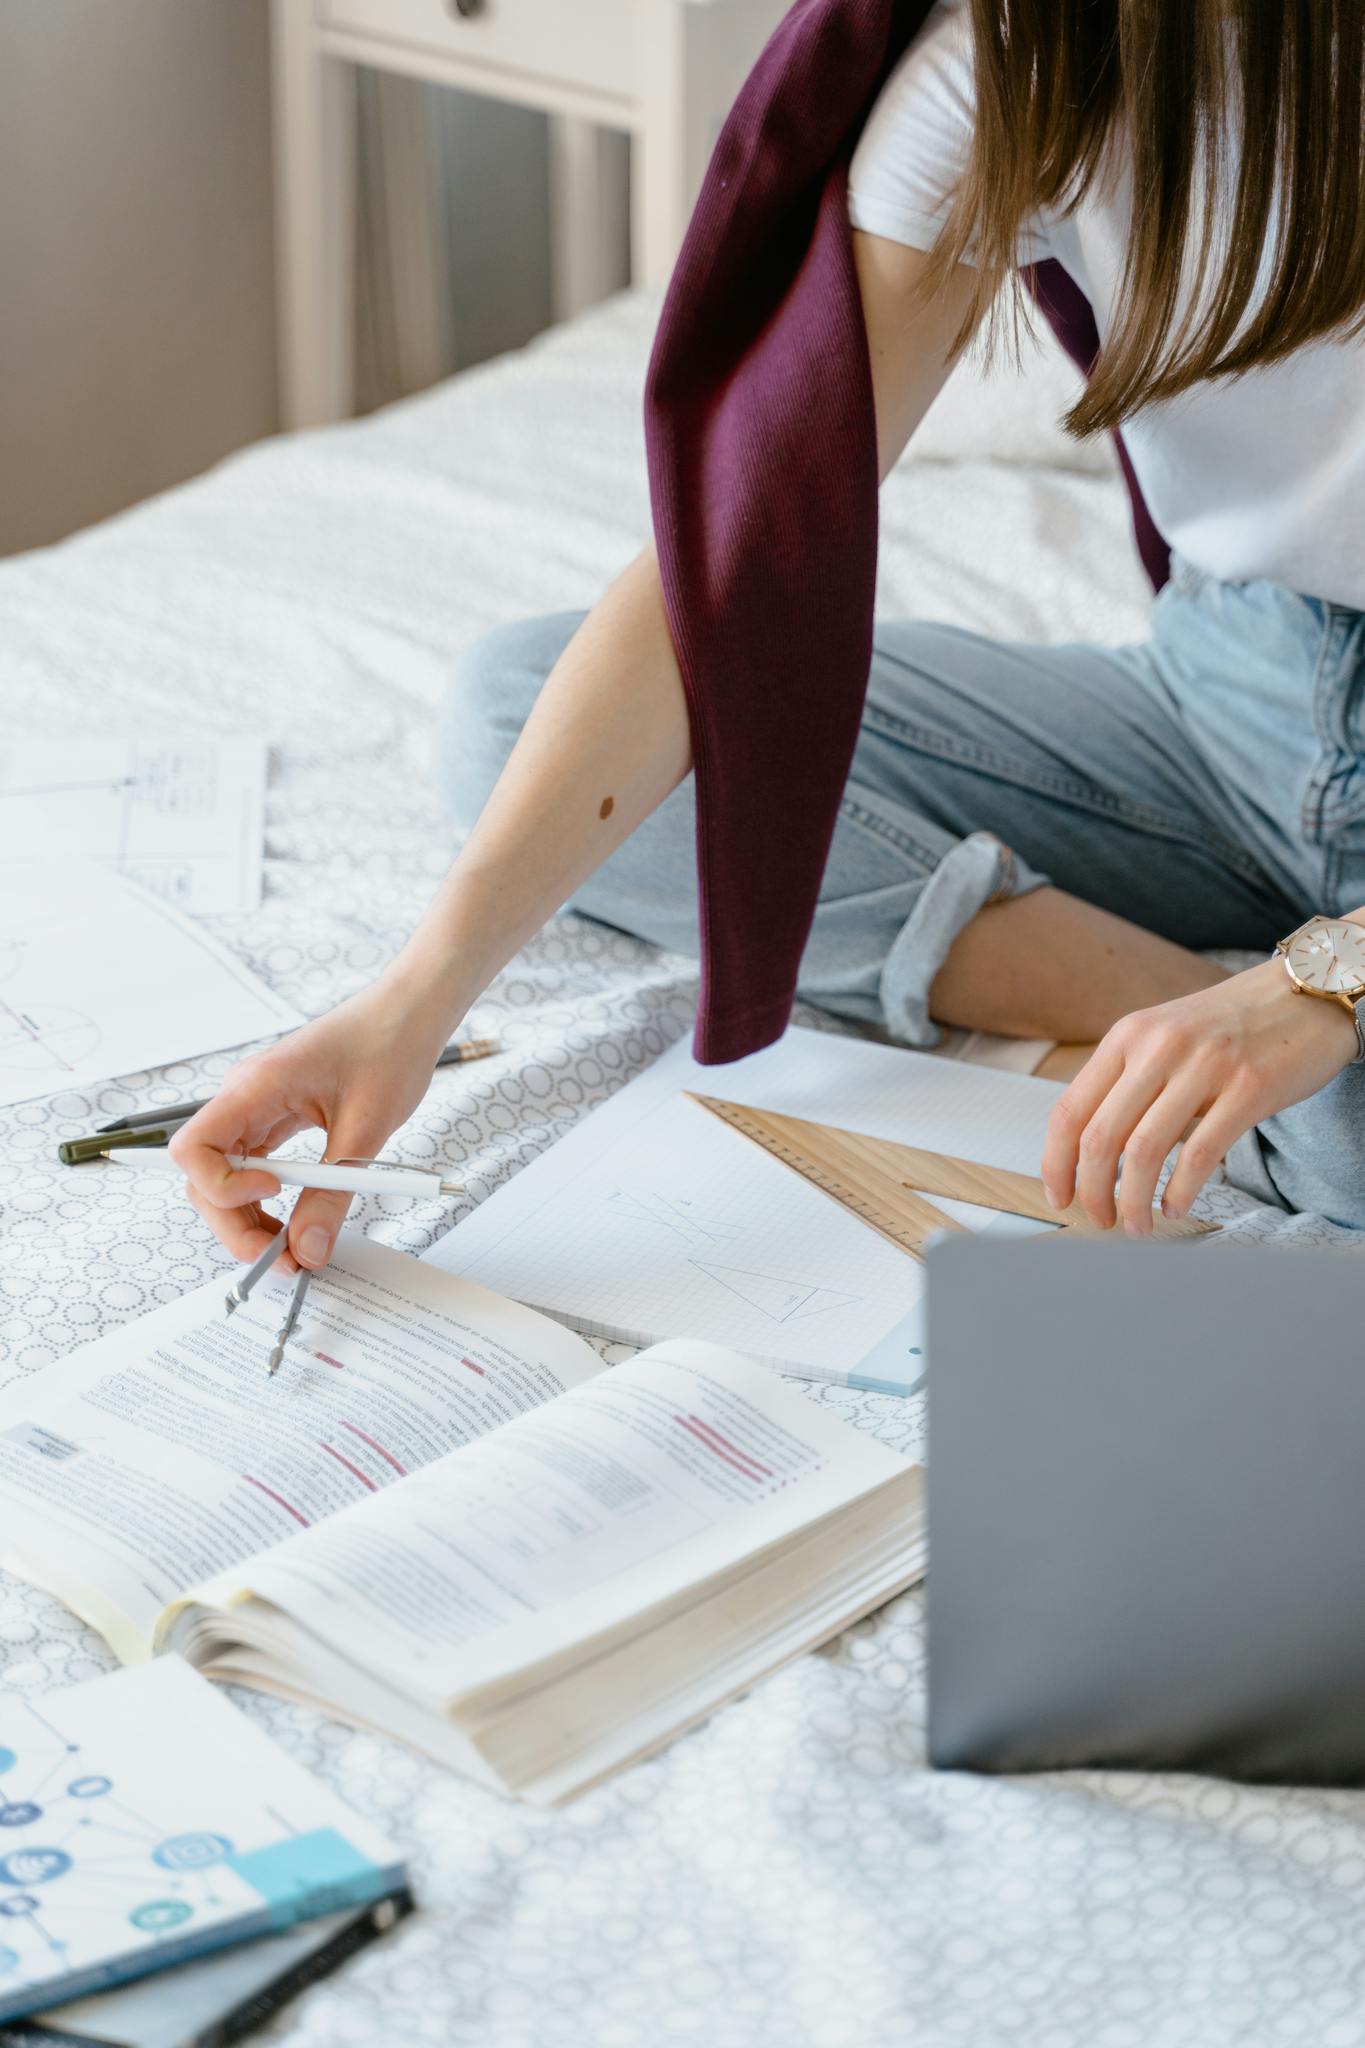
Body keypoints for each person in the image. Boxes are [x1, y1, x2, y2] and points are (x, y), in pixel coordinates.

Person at [174, 0, 1365, 1266]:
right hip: (1236, 683)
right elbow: (737, 576)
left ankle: (1282, 1060)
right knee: (510, 714)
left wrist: (1324, 981)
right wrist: (409, 1007)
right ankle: (1184, 1024)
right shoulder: (1018, 58)